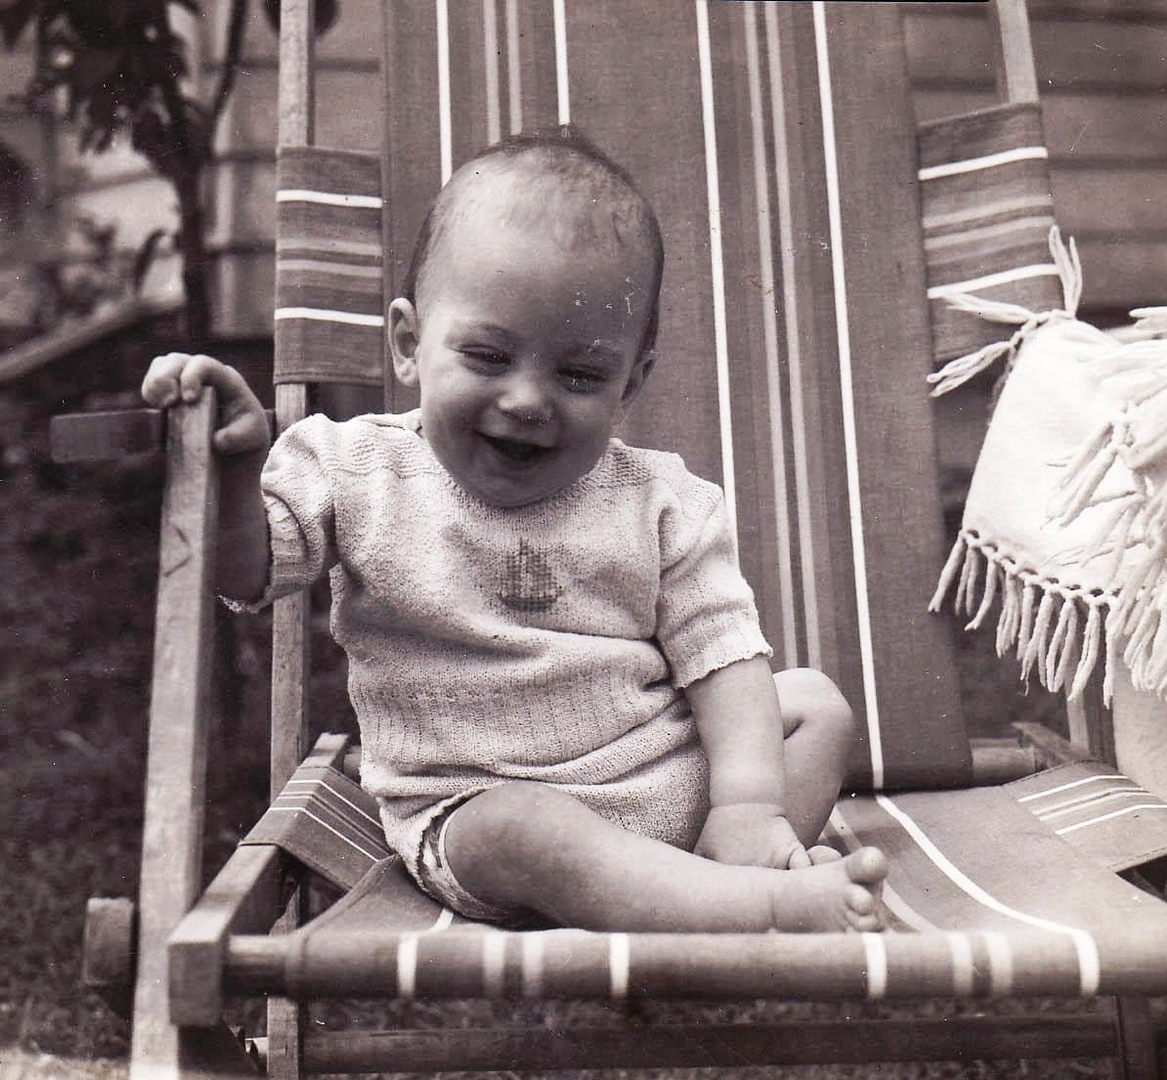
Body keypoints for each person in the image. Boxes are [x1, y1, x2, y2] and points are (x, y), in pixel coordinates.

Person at [142, 127, 886, 933]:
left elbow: (724, 657)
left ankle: (713, 876)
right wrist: (234, 467)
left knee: (815, 706)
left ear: (629, 384)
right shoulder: (357, 469)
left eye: (580, 374)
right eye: (489, 357)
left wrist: (746, 805)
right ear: (408, 345)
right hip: (479, 814)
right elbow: (247, 572)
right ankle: (760, 905)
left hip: (658, 779)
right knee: (527, 829)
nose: (529, 400)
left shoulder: (661, 501)